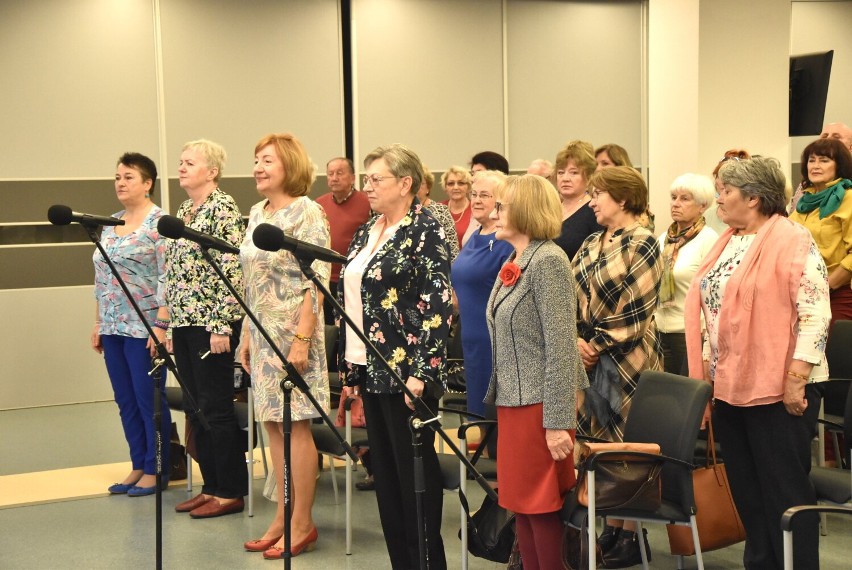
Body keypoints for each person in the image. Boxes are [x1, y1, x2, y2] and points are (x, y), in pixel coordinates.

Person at [685, 156, 830, 570]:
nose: (718, 201)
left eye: (725, 192)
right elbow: (715, 315)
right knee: (748, 491)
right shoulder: (728, 239)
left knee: (785, 492)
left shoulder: (794, 239)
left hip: (781, 387)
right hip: (733, 385)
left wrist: (795, 379)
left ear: (753, 197)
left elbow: (817, 315)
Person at [338, 144, 452, 569]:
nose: (367, 186)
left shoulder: (427, 229)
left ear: (405, 184)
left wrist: (422, 372)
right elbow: (353, 300)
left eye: (376, 179)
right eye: (367, 179)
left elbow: (437, 306)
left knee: (414, 482)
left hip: (408, 374)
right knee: (386, 481)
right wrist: (349, 368)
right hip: (370, 370)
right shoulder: (369, 229)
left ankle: (427, 564)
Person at [239, 133, 330, 559]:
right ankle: (281, 516)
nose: (258, 167)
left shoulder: (307, 212)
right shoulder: (257, 211)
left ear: (289, 165)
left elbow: (318, 280)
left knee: (295, 428)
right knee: (273, 427)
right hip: (261, 335)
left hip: (294, 335)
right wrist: (245, 334)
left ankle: (302, 523)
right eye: (256, 160)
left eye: (267, 161)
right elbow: (250, 279)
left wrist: (303, 338)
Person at [485, 174, 582, 569]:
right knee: (521, 506)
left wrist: (558, 421)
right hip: (514, 403)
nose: (494, 213)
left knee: (540, 507)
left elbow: (561, 346)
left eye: (502, 206)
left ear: (524, 210)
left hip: (541, 408)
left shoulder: (549, 262)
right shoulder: (516, 260)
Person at [572, 166, 662, 566]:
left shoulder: (642, 242)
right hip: (589, 356)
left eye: (599, 194)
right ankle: (609, 526)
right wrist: (577, 340)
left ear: (622, 199)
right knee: (600, 442)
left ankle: (630, 532)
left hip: (629, 357)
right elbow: (570, 295)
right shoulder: (591, 240)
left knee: (628, 444)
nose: (592, 201)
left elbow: (637, 309)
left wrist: (596, 344)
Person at [165, 139, 247, 518]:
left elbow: (231, 270)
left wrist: (220, 325)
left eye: (189, 163)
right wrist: (168, 325)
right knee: (196, 410)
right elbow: (177, 271)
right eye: (180, 162)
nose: (181, 167)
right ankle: (211, 485)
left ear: (211, 171)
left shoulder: (223, 208)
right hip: (184, 322)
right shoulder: (184, 209)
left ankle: (230, 490)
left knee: (215, 409)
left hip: (210, 325)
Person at [92, 152, 171, 497]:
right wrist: (97, 321)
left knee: (147, 399)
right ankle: (138, 463)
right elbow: (100, 276)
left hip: (145, 327)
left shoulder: (160, 224)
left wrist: (162, 326)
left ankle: (158, 468)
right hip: (112, 326)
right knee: (124, 399)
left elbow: (170, 278)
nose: (121, 183)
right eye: (117, 177)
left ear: (148, 183)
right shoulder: (109, 221)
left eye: (128, 177)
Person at [451, 170, 513, 418]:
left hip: (495, 343)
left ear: (501, 202)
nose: (475, 200)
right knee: (480, 417)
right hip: (471, 340)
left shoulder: (506, 242)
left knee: (496, 419)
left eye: (484, 195)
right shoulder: (475, 236)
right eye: (474, 194)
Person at [655, 173, 719, 375]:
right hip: (659, 330)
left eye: (684, 199)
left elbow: (712, 293)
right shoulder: (664, 238)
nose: (675, 204)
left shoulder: (709, 240)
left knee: (685, 397)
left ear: (702, 206)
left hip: (690, 333)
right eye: (673, 197)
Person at [789, 138, 852, 330]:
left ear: (839, 166)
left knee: (829, 357)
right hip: (798, 295)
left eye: (824, 160)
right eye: (811, 160)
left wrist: (824, 287)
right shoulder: (803, 202)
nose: (815, 166)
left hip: (836, 295)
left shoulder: (848, 198)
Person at [316, 157, 372, 325]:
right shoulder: (318, 204)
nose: (334, 178)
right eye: (330, 174)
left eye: (340, 173)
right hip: (324, 279)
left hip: (354, 279)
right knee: (327, 328)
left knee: (350, 327)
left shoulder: (368, 203)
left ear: (353, 178)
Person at [552, 140, 603, 261]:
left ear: (589, 176)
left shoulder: (594, 211)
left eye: (574, 173)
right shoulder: (551, 209)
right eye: (560, 172)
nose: (565, 178)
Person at [789, 122, 852, 213]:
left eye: (836, 137)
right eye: (824, 137)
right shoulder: (806, 184)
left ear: (851, 147)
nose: (828, 140)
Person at [594, 143, 655, 232]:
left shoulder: (641, 219)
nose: (598, 169)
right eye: (596, 164)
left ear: (620, 166)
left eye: (605, 163)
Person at [417, 166, 459, 260]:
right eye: (413, 183)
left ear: (428, 187)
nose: (416, 187)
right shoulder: (399, 211)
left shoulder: (441, 211)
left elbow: (453, 248)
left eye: (420, 183)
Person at [705, 149, 751, 234]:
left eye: (730, 177)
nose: (724, 181)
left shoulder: (747, 218)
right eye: (720, 175)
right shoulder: (706, 216)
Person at [441, 165, 477, 248]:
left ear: (468, 187)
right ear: (445, 187)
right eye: (451, 183)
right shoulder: (438, 209)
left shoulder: (476, 209)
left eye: (461, 183)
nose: (456, 187)